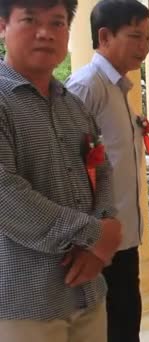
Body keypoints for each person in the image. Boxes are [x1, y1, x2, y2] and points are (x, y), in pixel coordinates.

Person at [0, 1, 123, 341]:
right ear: (2, 26)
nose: (45, 33)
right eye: (29, 20)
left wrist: (101, 232)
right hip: (25, 302)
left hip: (88, 292)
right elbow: (5, 193)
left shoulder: (73, 105)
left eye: (57, 22)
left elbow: (101, 169)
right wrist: (94, 234)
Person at [66, 1, 149, 341]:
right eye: (135, 36)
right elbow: (69, 166)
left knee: (126, 325)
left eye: (148, 38)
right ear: (104, 36)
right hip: (97, 243)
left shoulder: (119, 88)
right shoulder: (87, 86)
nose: (144, 47)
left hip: (122, 239)